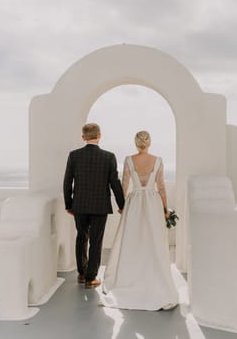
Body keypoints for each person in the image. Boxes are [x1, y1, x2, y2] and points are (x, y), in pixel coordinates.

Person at [101, 131, 178, 310]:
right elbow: (162, 187)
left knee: (133, 240)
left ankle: (129, 277)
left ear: (136, 143)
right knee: (153, 240)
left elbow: (124, 185)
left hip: (134, 202)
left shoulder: (129, 160)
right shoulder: (158, 160)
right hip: (152, 203)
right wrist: (165, 209)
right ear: (149, 143)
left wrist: (122, 206)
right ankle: (153, 277)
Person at [63, 123, 125, 289]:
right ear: (99, 135)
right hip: (100, 206)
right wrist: (122, 205)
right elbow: (115, 183)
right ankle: (91, 278)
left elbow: (67, 181)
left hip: (79, 205)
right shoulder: (109, 157)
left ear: (83, 137)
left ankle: (82, 274)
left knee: (81, 237)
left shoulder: (74, 155)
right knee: (96, 241)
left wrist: (69, 204)